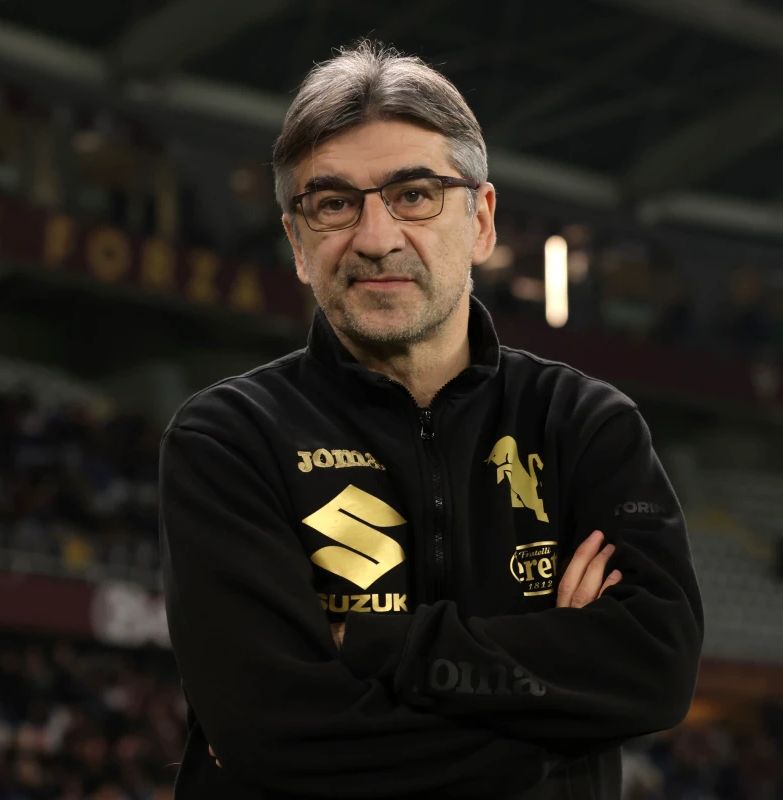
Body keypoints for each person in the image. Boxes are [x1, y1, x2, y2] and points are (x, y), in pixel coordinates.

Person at [159, 40, 703, 799]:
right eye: (334, 203)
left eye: (414, 194)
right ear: (297, 242)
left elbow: (655, 669)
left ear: (481, 220)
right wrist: (557, 723)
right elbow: (273, 735)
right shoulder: (228, 438)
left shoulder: (585, 426)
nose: (376, 238)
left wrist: (371, 646)